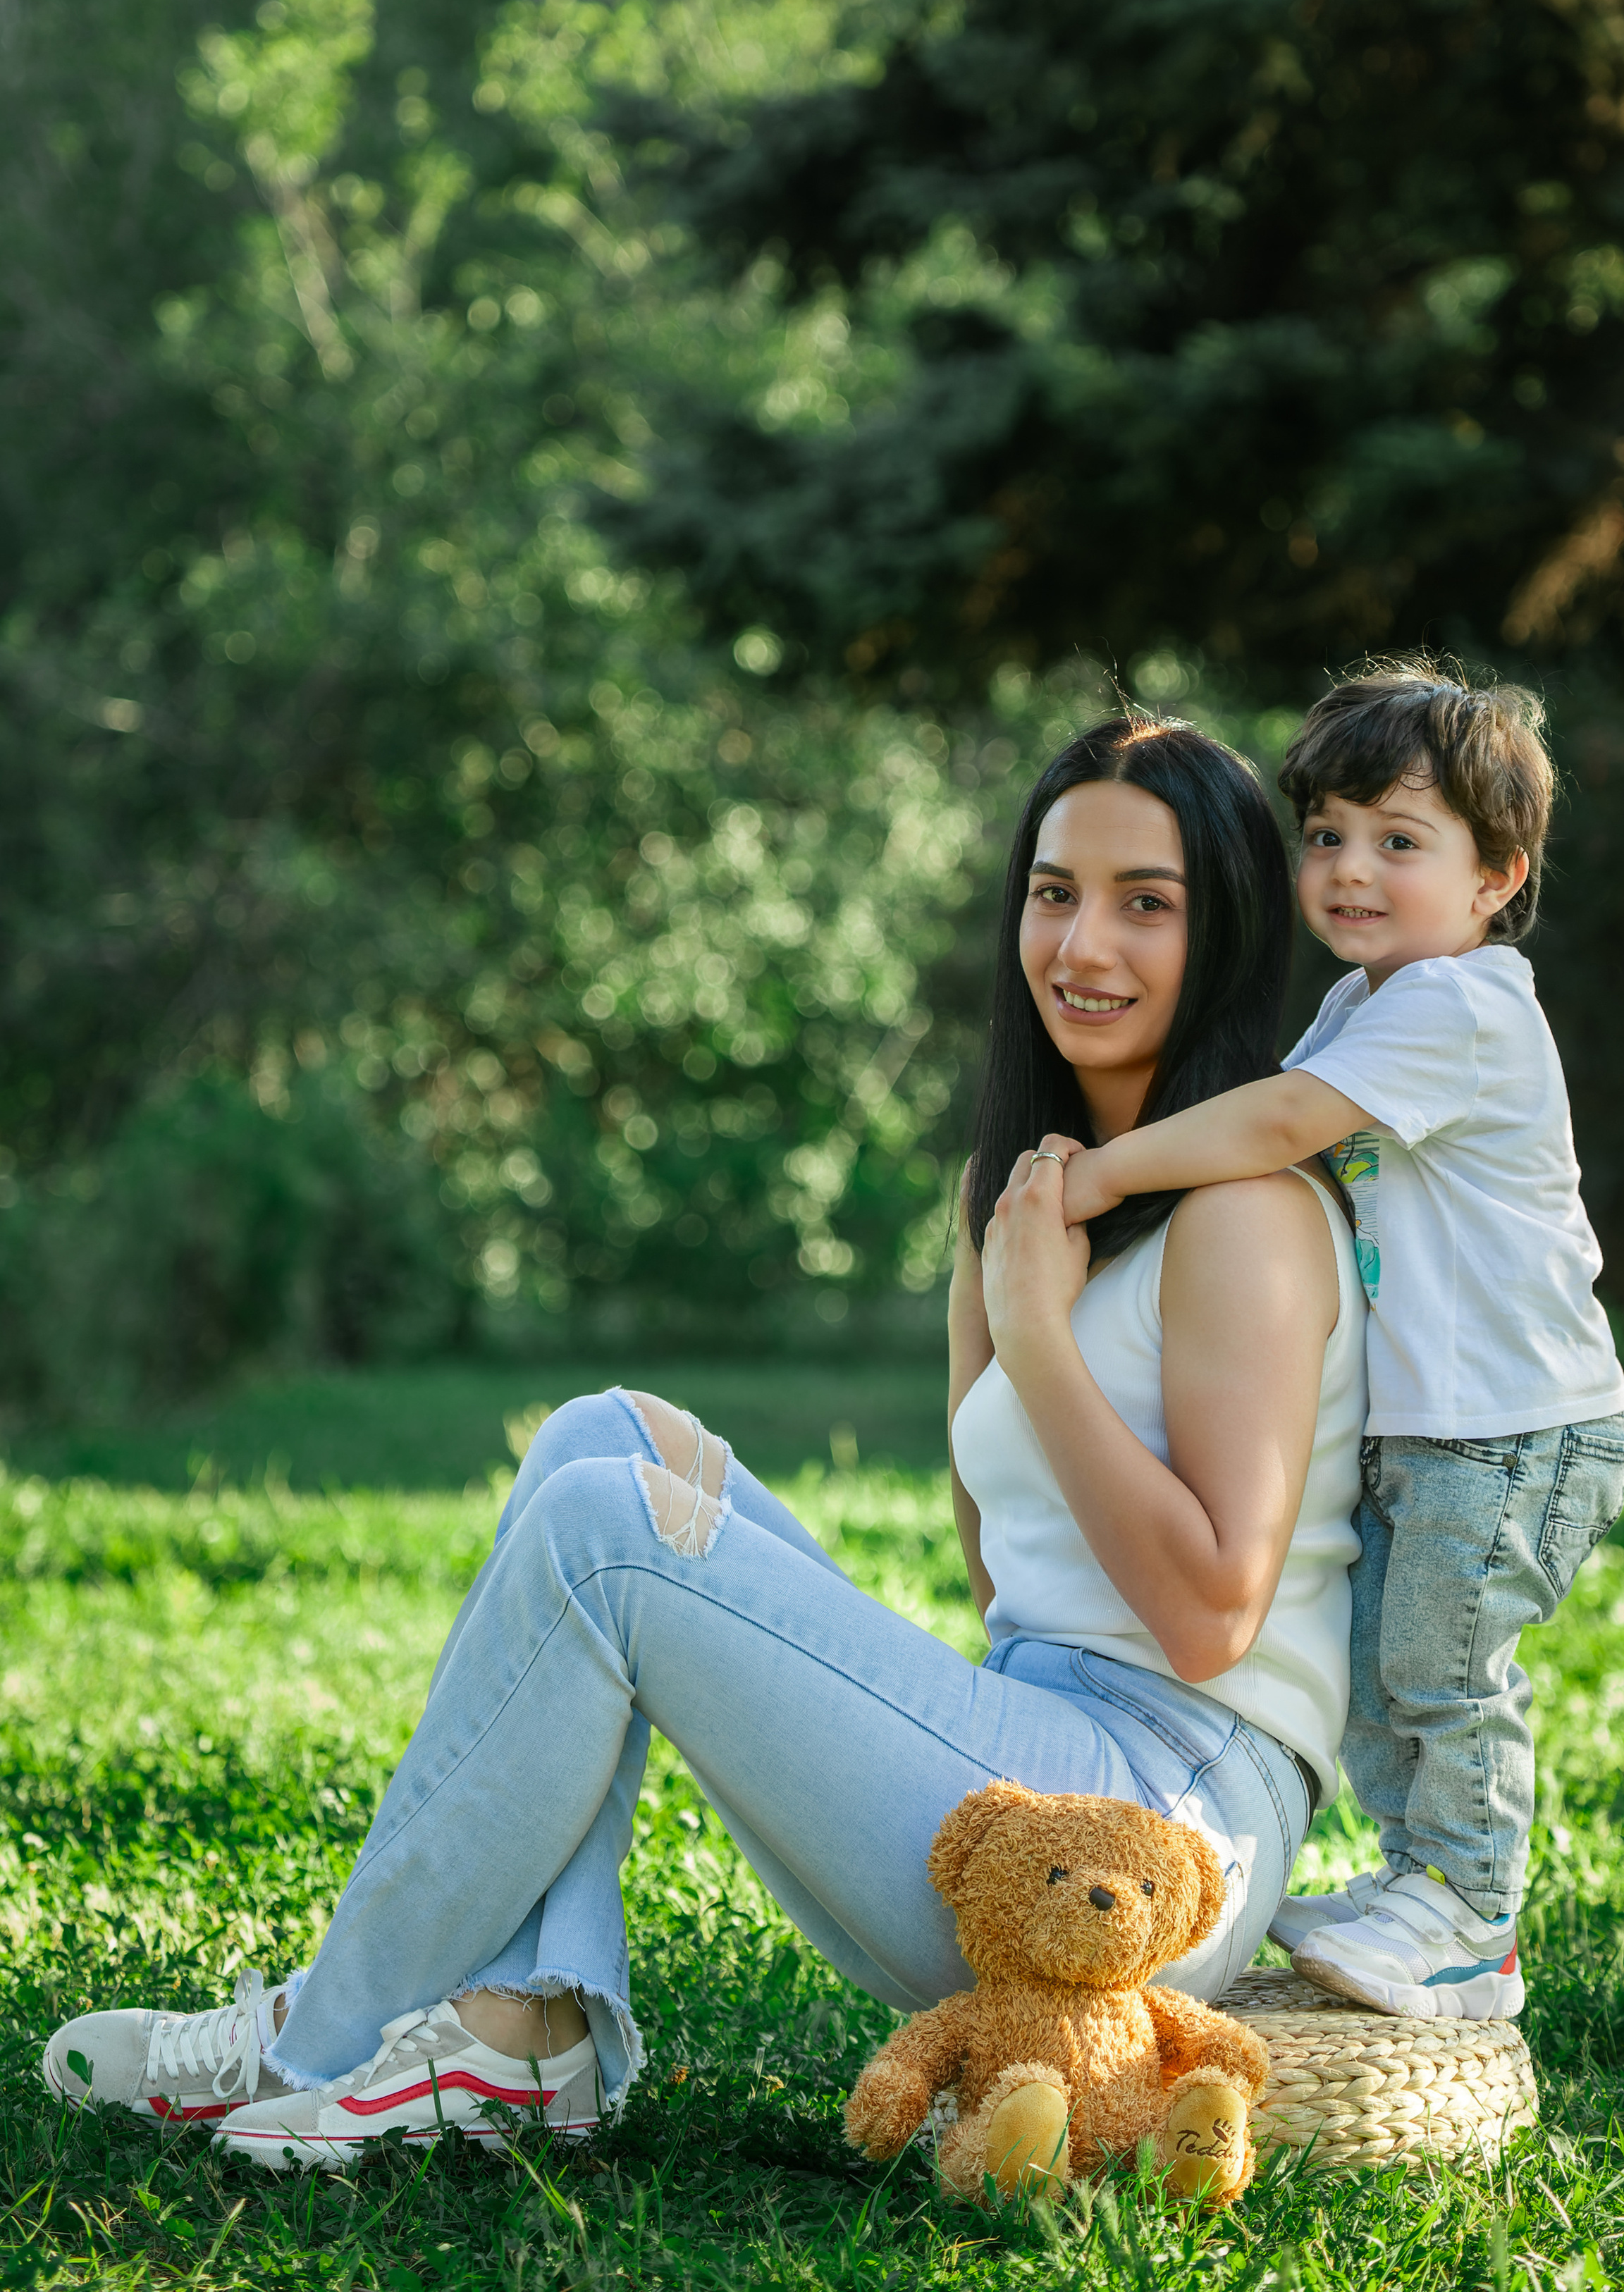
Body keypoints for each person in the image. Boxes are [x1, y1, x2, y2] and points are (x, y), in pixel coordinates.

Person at [41, 713, 1365, 2170]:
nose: (1080, 944)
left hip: (1160, 1840)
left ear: (1226, 933)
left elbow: (1206, 1611)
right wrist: (1007, 1290)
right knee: (604, 1444)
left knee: (611, 1540)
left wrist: (1035, 1332)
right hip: (1024, 1761)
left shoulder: (1248, 1215)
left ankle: (322, 2039)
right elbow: (1012, 1588)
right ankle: (523, 2029)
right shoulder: (1026, 1196)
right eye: (1053, 893)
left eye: (1145, 903)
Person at [1057, 664, 1624, 2022]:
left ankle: (1472, 1916)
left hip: (1513, 1427)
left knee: (1439, 1667)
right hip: (1441, 1428)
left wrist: (1098, 1175)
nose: (1350, 871)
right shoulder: (1371, 1004)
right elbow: (1273, 1106)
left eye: (1399, 840)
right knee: (1387, 1662)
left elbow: (1269, 1129)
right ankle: (1413, 1878)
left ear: (1497, 876)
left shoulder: (1462, 1003)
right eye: (1326, 836)